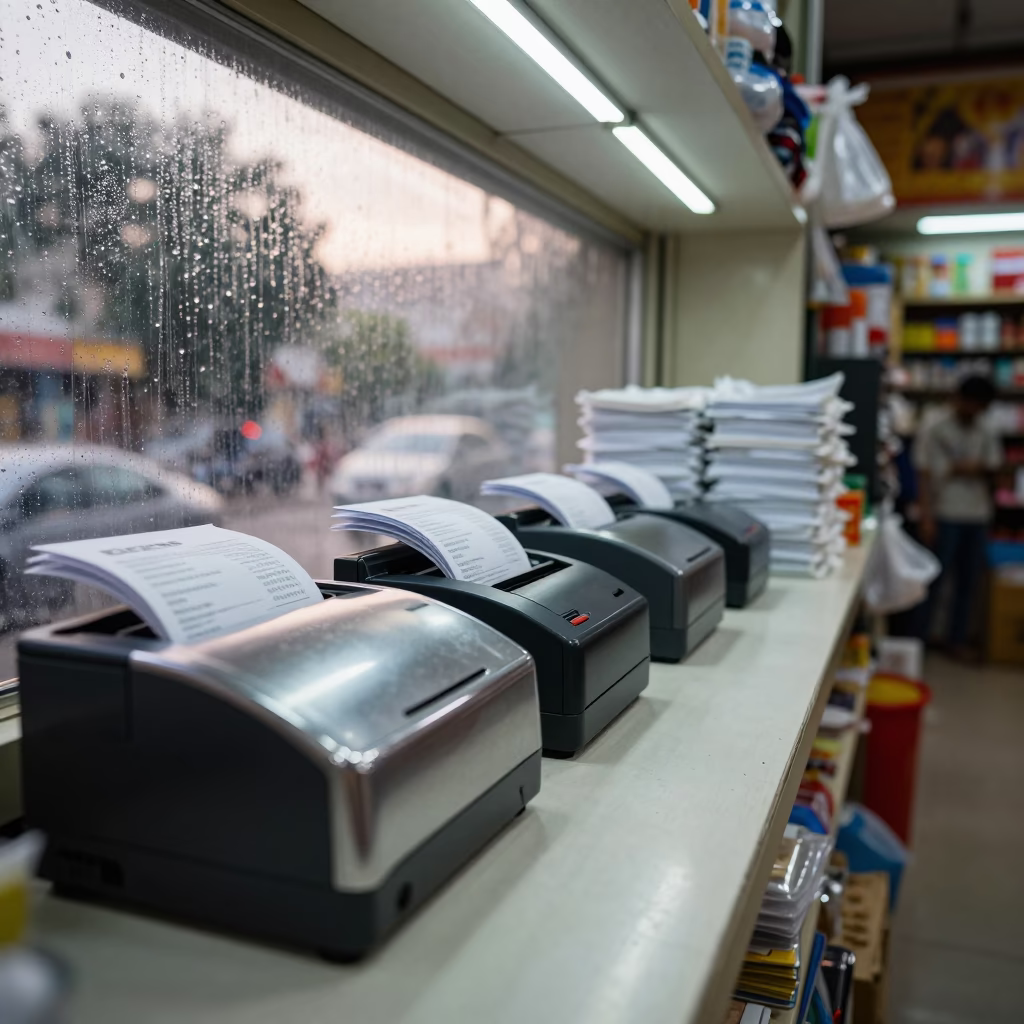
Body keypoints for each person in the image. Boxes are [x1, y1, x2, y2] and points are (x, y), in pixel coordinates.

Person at [914, 375, 1002, 657]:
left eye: (981, 406)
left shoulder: (988, 428)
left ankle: (957, 639)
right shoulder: (934, 425)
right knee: (934, 579)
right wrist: (927, 517)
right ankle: (922, 639)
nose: (974, 411)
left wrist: (961, 468)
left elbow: (994, 468)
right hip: (945, 511)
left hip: (977, 514)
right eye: (971, 404)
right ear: (958, 399)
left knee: (968, 581)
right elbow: (924, 474)